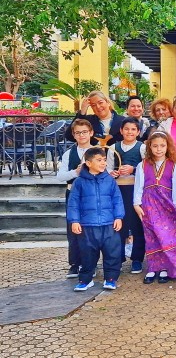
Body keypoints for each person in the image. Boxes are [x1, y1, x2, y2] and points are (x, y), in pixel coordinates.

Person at [133, 132, 176, 284]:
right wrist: (136, 204)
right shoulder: (142, 165)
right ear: (149, 147)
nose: (159, 149)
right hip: (148, 204)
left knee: (166, 236)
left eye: (162, 146)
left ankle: (165, 268)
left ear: (168, 146)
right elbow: (138, 186)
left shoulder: (174, 165)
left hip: (167, 205)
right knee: (151, 236)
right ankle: (152, 268)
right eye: (155, 146)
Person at [67, 147, 124, 292]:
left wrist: (118, 217)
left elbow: (117, 199)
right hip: (87, 225)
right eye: (99, 160)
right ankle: (85, 280)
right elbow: (73, 203)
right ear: (88, 163)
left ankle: (110, 279)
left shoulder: (109, 180)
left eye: (104, 160)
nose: (103, 163)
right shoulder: (79, 182)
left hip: (109, 224)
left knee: (112, 253)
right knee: (87, 254)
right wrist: (74, 221)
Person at [106, 118, 146, 275]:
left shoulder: (142, 147)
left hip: (135, 190)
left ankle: (137, 259)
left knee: (137, 225)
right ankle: (118, 257)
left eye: (133, 129)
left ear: (138, 132)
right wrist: (112, 173)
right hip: (118, 190)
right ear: (121, 131)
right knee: (119, 223)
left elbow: (147, 168)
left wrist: (133, 169)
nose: (130, 132)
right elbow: (107, 168)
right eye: (127, 129)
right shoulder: (113, 148)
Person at [57, 120, 95, 279]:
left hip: (92, 194)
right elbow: (60, 176)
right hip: (73, 194)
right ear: (74, 135)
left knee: (91, 229)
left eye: (84, 132)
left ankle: (90, 263)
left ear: (91, 133)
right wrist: (75, 172)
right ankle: (74, 263)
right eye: (78, 133)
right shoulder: (69, 153)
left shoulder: (98, 151)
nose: (82, 135)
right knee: (73, 227)